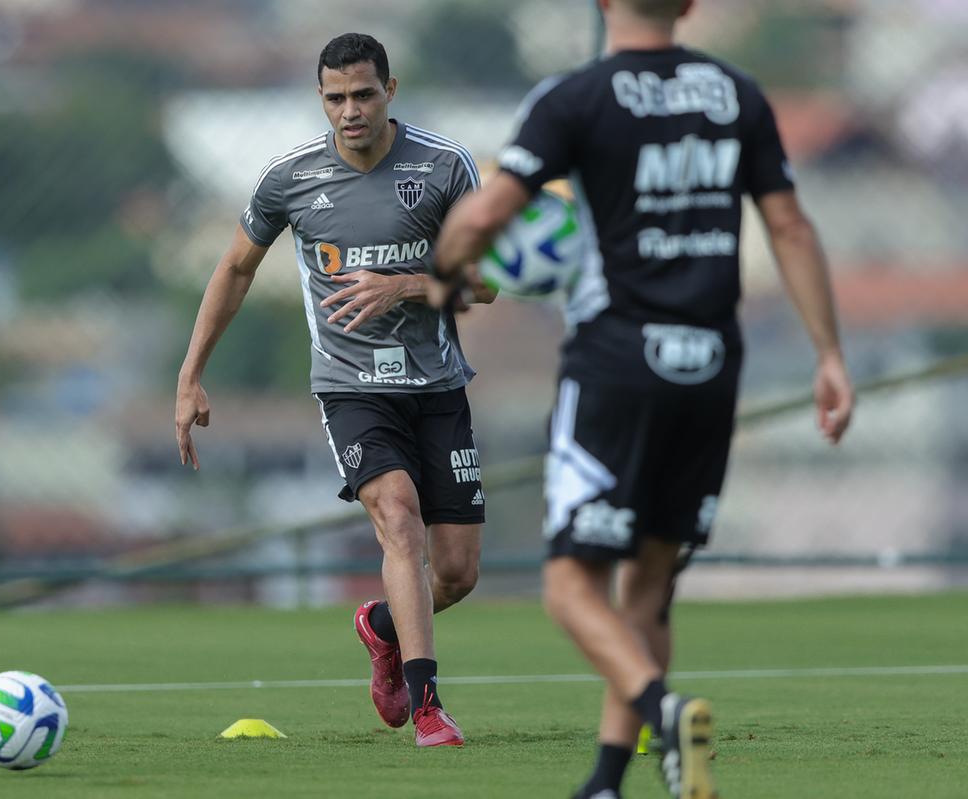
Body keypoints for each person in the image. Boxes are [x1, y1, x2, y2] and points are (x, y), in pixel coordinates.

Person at [433, 0, 855, 795]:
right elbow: (790, 226)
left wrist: (446, 270)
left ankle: (664, 713)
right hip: (710, 363)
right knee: (651, 583)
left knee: (569, 586)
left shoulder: (575, 97)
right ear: (690, 4)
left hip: (617, 361)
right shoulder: (737, 95)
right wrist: (828, 353)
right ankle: (605, 780)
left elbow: (490, 211)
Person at [175, 32, 494, 748]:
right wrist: (190, 374)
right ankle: (429, 705)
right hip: (350, 388)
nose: (349, 111)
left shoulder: (445, 167)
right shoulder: (290, 178)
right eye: (334, 98)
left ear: (391, 91)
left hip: (438, 384)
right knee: (399, 517)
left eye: (362, 94)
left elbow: (488, 280)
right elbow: (233, 269)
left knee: (458, 571)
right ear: (320, 99)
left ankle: (381, 625)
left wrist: (409, 285)